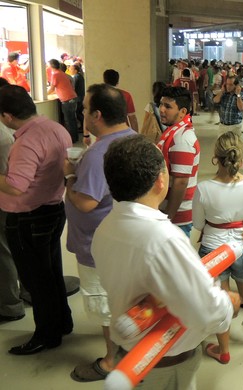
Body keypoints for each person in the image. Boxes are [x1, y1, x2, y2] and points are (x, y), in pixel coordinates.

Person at [92, 135, 239, 389]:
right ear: (161, 181)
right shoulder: (164, 239)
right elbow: (204, 312)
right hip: (165, 365)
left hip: (131, 353)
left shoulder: (104, 229)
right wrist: (229, 304)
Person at [63, 83, 136, 381]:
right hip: (127, 238)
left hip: (99, 246)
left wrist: (69, 175)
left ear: (98, 115)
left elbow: (86, 202)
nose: (81, 114)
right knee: (126, 299)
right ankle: (130, 347)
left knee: (106, 304)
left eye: (84, 110)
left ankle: (112, 360)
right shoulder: (133, 140)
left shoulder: (98, 154)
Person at [0, 85, 73, 355]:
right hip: (53, 209)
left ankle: (46, 334)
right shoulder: (55, 128)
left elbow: (17, 185)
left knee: (36, 281)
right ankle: (62, 322)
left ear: (8, 116)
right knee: (51, 273)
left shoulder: (27, 141)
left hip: (28, 218)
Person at [192, 131, 243, 364]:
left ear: (216, 157)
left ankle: (223, 351)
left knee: (221, 301)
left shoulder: (204, 189)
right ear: (240, 158)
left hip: (214, 252)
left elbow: (199, 224)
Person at [156, 86, 200, 236]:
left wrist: (169, 217)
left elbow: (181, 182)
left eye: (168, 106)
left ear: (182, 112)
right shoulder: (174, 133)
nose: (161, 109)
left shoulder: (181, 139)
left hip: (177, 217)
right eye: (161, 104)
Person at [0, 80, 24, 324]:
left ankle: (9, 304)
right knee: (15, 248)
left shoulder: (3, 133)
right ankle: (25, 292)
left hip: (6, 198)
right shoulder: (13, 130)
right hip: (17, 200)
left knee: (4, 251)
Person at [48, 58, 79, 143]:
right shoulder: (62, 73)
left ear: (51, 66)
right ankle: (75, 138)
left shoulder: (55, 75)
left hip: (67, 99)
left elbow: (51, 89)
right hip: (72, 97)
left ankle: (70, 140)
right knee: (72, 119)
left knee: (68, 120)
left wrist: (45, 94)